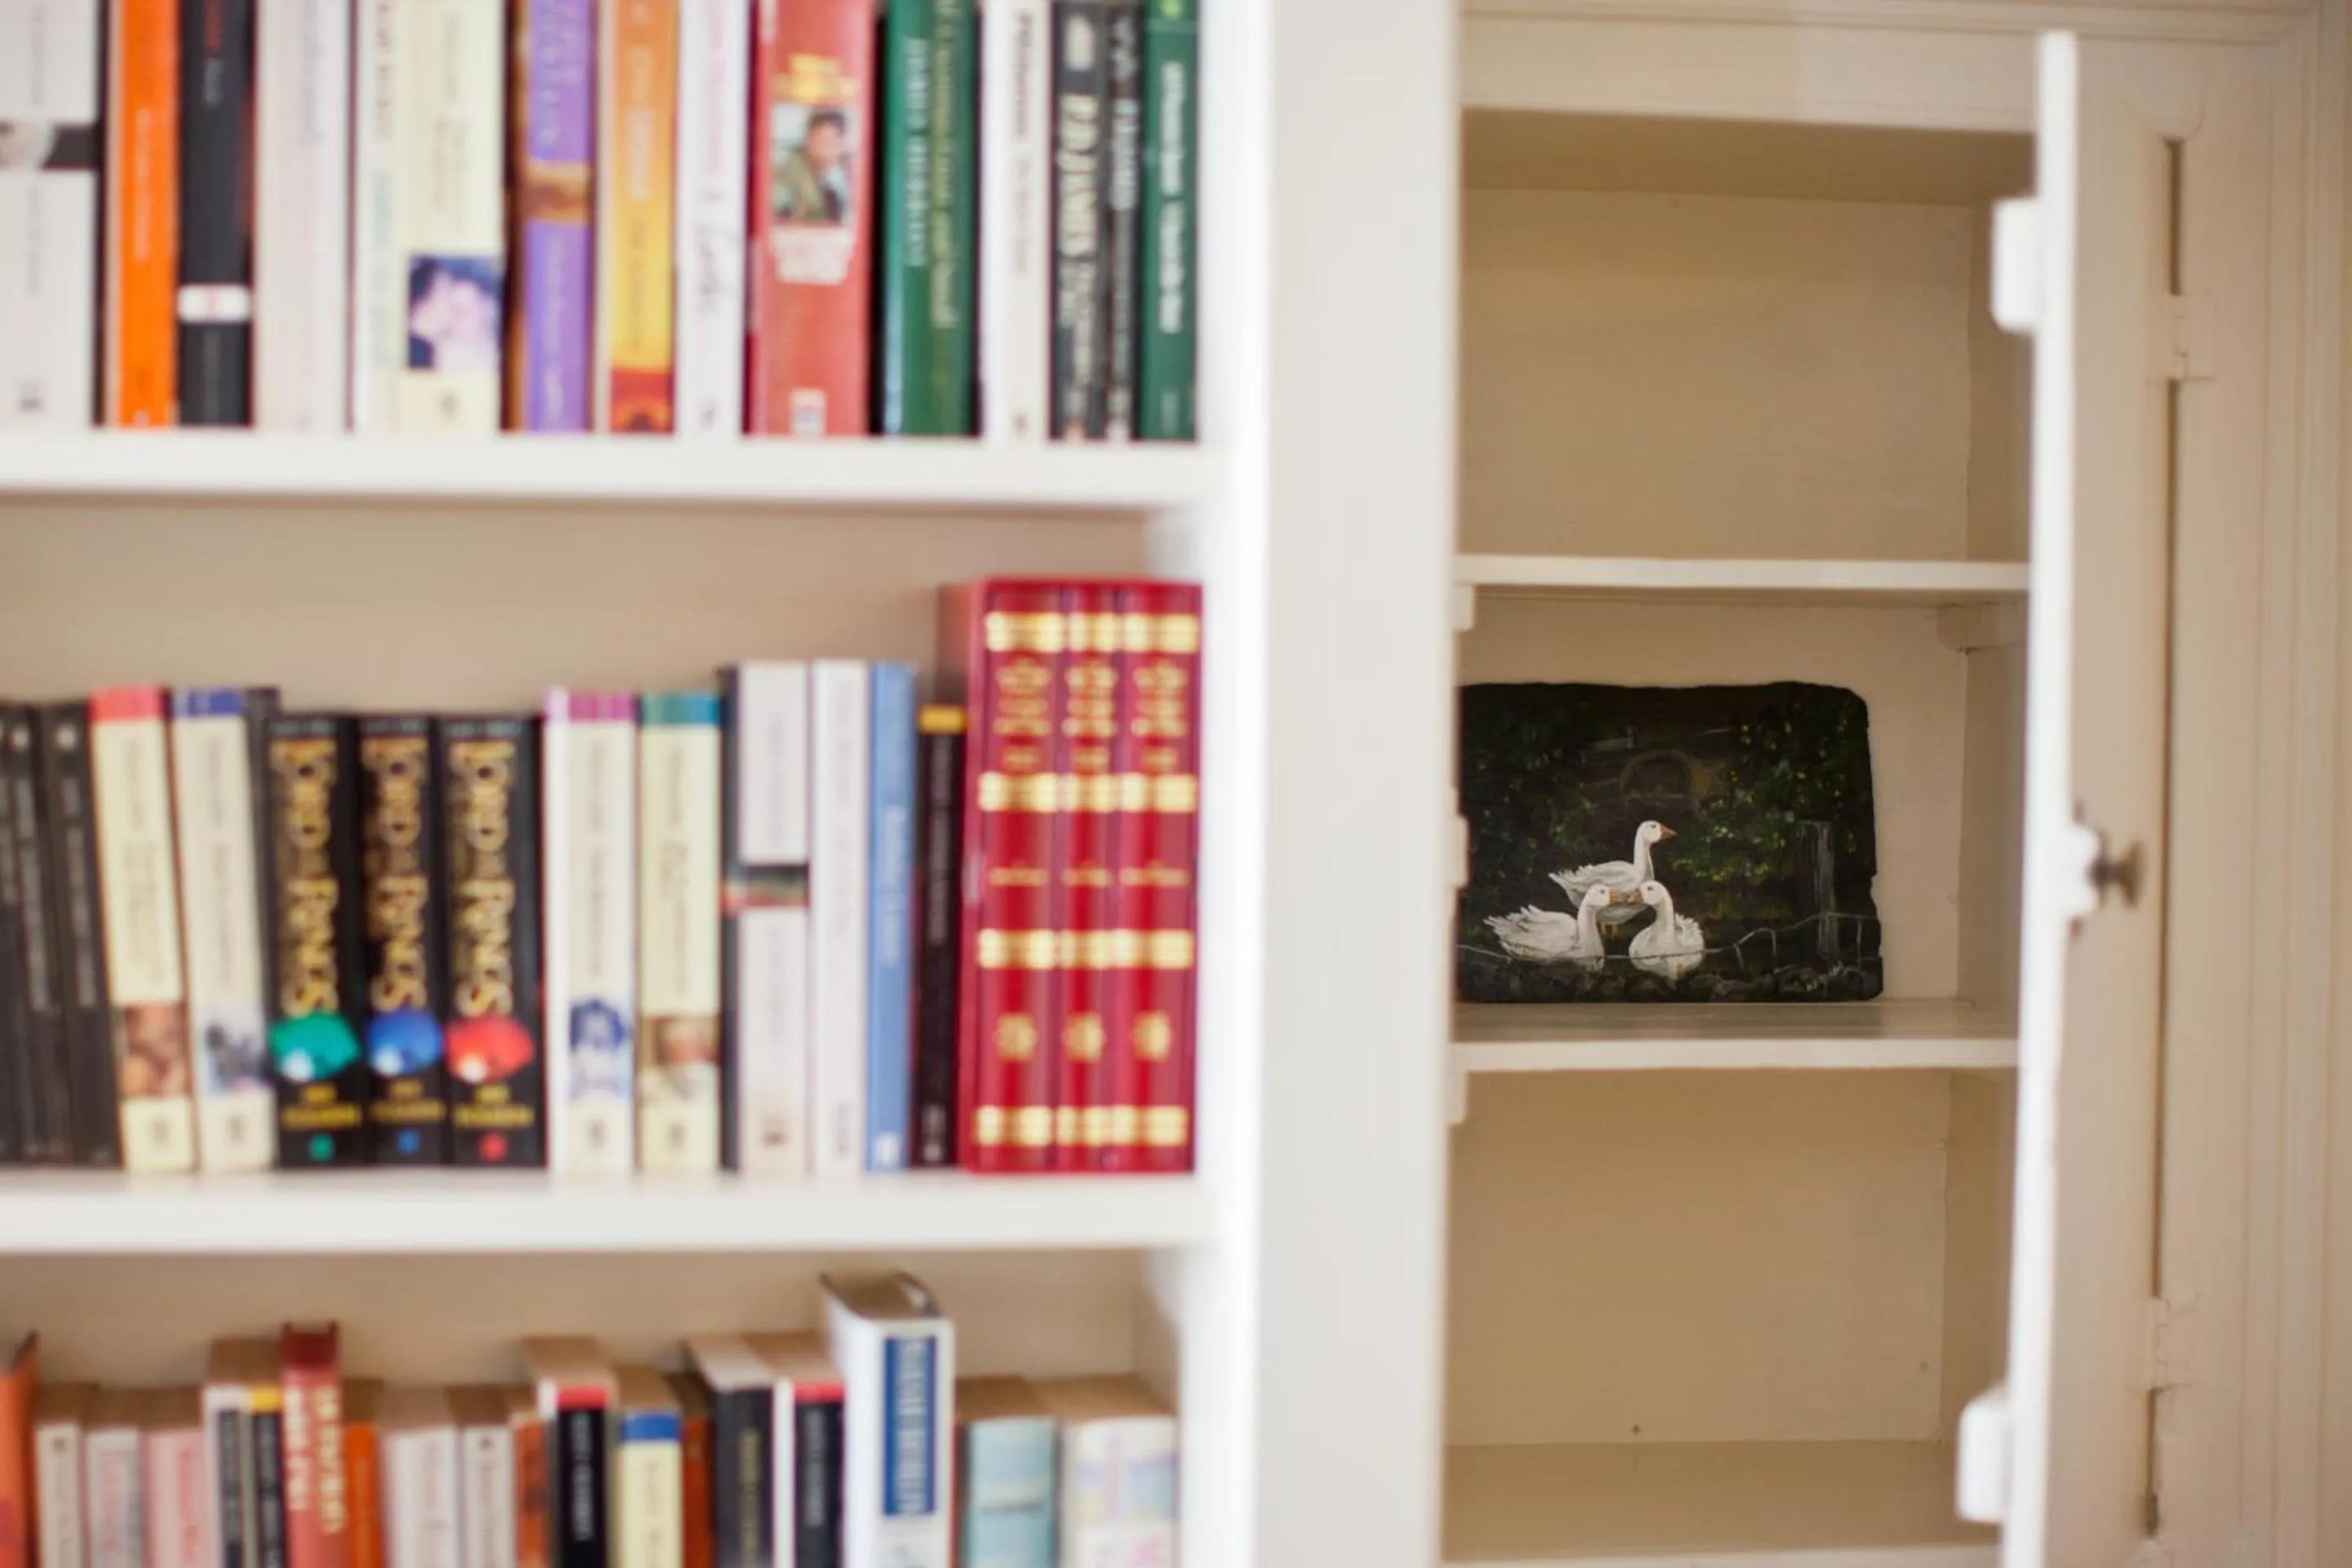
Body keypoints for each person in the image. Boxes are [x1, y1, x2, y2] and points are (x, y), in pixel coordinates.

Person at [772, 109, 850, 224]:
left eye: (831, 142)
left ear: (842, 143)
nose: (825, 150)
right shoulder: (790, 174)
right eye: (820, 141)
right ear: (808, 141)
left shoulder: (852, 172)